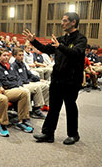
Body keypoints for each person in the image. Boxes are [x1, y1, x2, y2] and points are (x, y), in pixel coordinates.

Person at [23, 12, 87, 145]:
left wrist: (60, 47)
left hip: (71, 80)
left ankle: (73, 135)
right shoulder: (61, 39)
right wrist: (33, 40)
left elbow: (76, 53)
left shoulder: (81, 39)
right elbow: (46, 49)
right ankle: (48, 133)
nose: (61, 23)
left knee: (70, 107)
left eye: (64, 21)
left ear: (73, 22)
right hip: (57, 79)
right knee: (54, 107)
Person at [0, 48, 34, 133]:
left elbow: (17, 77)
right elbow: (4, 83)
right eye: (4, 55)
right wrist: (16, 85)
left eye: (8, 55)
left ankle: (21, 121)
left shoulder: (10, 66)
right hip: (6, 90)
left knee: (25, 91)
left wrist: (19, 84)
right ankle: (22, 119)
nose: (6, 57)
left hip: (14, 88)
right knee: (25, 92)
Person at [12, 48, 50, 114]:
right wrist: (29, 81)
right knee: (37, 87)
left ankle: (45, 105)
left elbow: (29, 74)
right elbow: (18, 79)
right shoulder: (13, 66)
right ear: (15, 56)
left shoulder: (22, 64)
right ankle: (36, 109)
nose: (21, 57)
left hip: (27, 82)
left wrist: (38, 79)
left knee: (45, 85)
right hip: (22, 84)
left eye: (22, 55)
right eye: (19, 55)